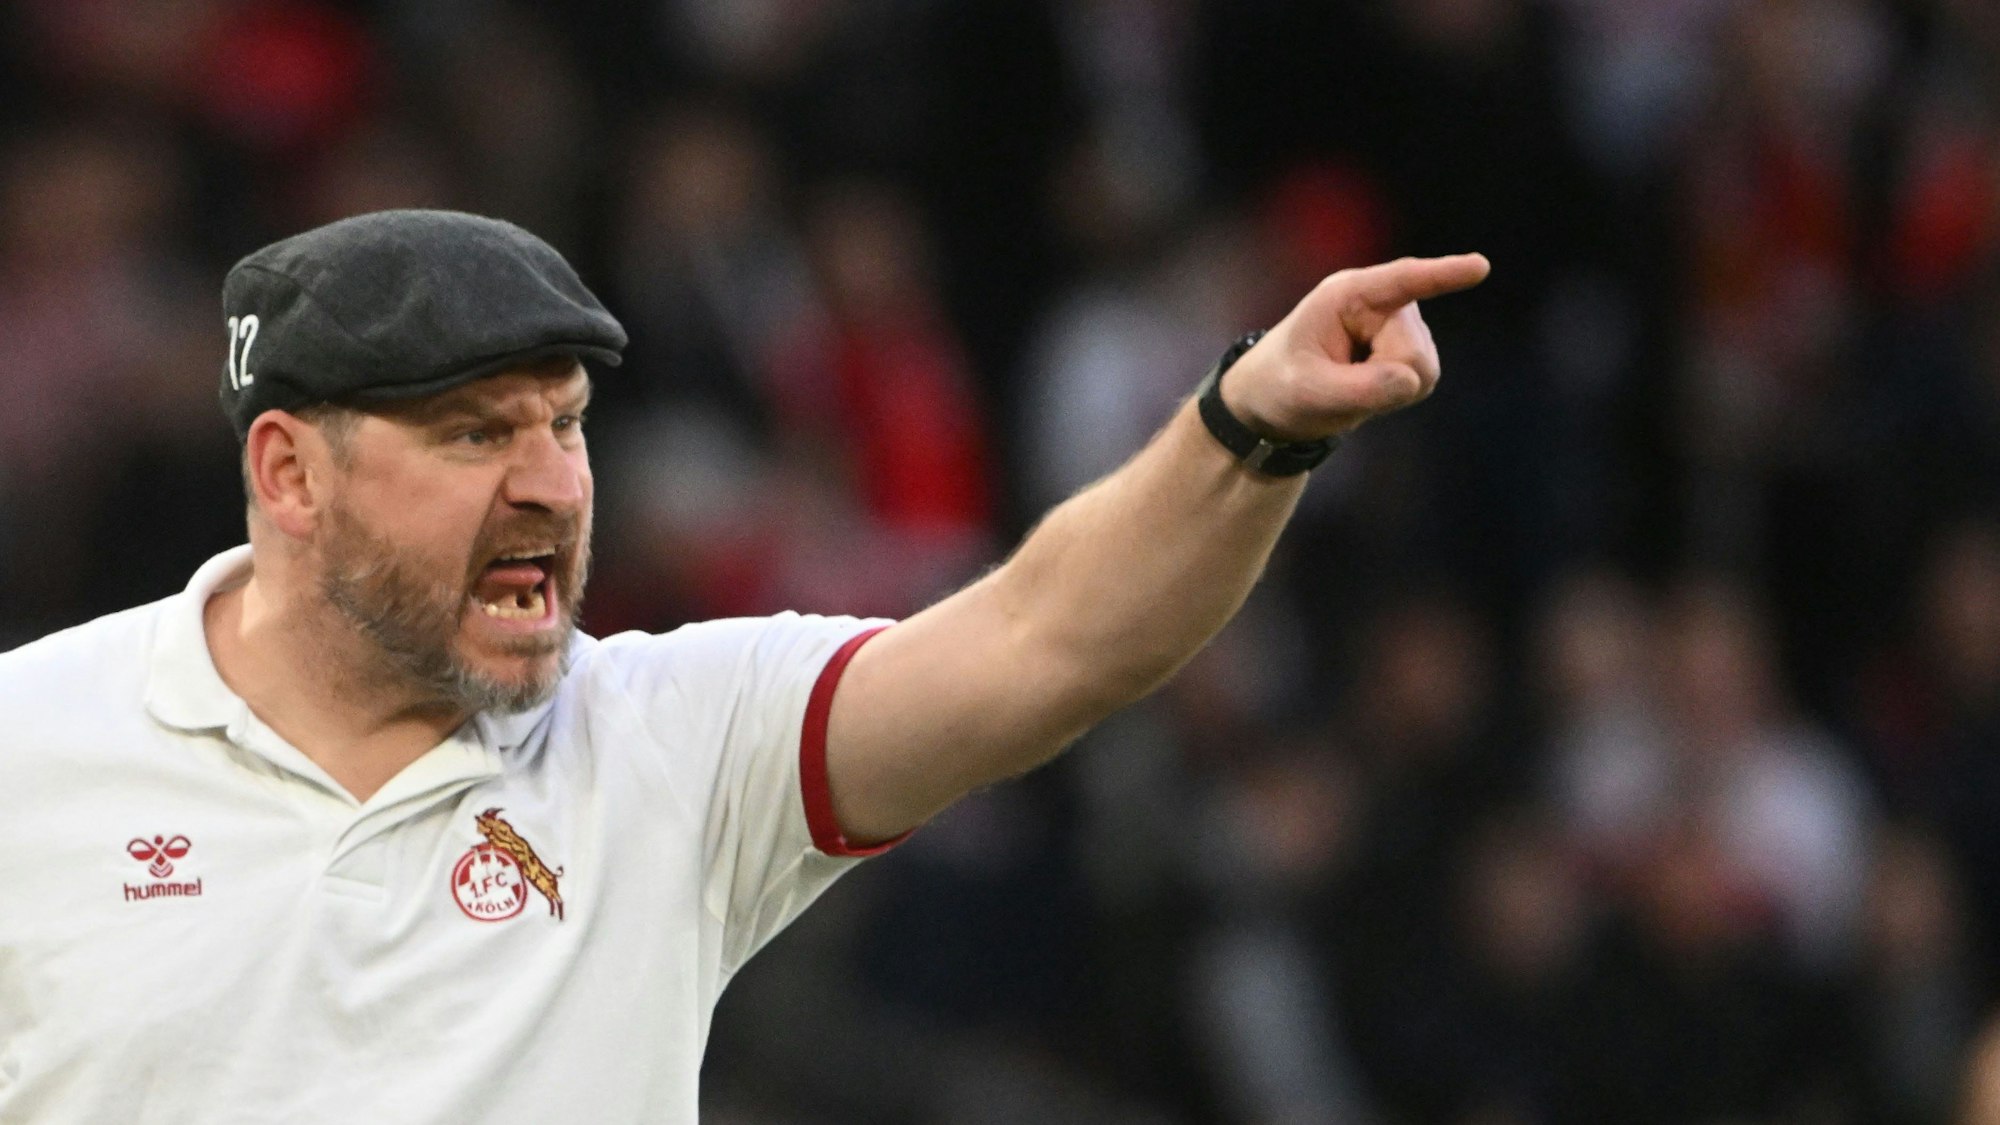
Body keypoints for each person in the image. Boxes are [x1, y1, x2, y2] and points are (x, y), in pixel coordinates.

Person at [0, 209, 1487, 1121]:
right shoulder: (30, 749)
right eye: (474, 434)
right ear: (290, 472)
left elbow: (1050, 637)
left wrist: (1254, 422)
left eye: (565, 423)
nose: (552, 485)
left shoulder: (667, 741)